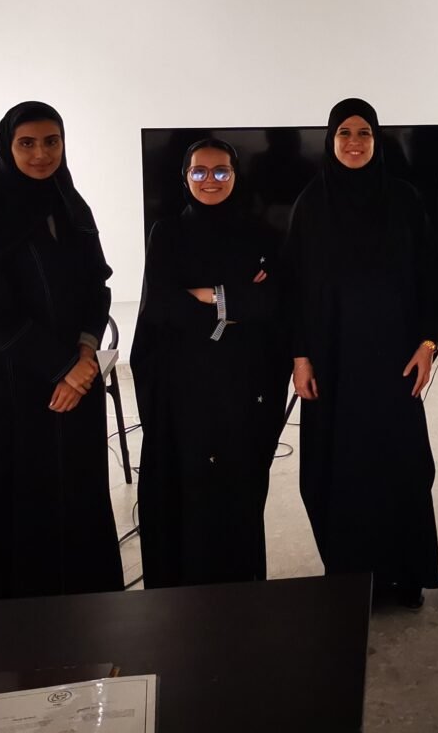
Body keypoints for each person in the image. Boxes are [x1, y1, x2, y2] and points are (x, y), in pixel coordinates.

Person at [0, 101, 121, 602]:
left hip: (75, 382)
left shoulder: (73, 208)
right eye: (27, 143)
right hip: (12, 388)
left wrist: (84, 353)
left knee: (76, 493)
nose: (41, 154)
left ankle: (84, 610)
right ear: (8, 147)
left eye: (51, 141)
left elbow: (97, 287)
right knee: (20, 500)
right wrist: (62, 367)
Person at [285, 99, 438, 610]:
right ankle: (351, 578)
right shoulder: (311, 204)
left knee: (401, 466)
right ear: (330, 140)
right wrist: (300, 357)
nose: (354, 142)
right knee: (337, 470)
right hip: (332, 363)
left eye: (364, 133)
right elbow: (294, 288)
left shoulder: (403, 200)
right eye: (344, 133)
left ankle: (404, 575)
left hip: (393, 361)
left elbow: (431, 277)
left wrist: (429, 345)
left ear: (377, 141)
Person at [130, 138, 286, 589]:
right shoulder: (167, 232)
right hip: (184, 383)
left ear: (236, 176)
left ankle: (238, 591)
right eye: (199, 171)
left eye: (222, 171)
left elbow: (270, 303)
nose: (210, 180)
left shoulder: (262, 234)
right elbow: (162, 306)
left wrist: (206, 296)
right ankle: (184, 593)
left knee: (238, 485)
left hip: (244, 381)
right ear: (185, 177)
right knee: (188, 483)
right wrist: (233, 300)